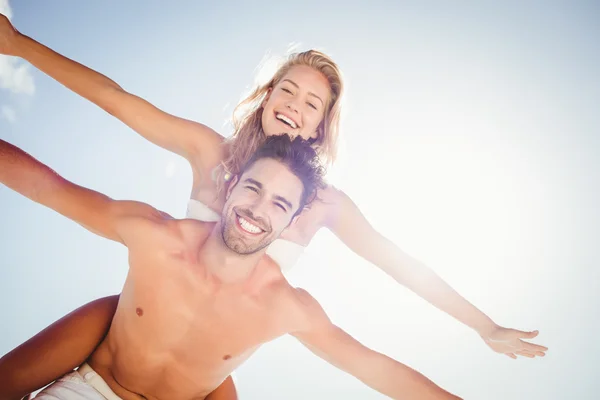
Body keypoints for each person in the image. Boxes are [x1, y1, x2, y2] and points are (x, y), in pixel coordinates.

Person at [0, 14, 546, 399]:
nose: (294, 106)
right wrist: (20, 44)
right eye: (287, 90)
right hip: (144, 316)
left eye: (312, 103)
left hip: (211, 359)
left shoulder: (325, 205)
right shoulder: (207, 152)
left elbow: (400, 266)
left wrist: (484, 326)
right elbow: (116, 100)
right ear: (267, 95)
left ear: (321, 124)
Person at [0, 134, 462, 400]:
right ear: (234, 183)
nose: (258, 209)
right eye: (254, 188)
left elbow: (373, 368)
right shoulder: (157, 236)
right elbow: (49, 188)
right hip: (92, 391)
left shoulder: (283, 305)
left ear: (291, 221)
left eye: (280, 204)